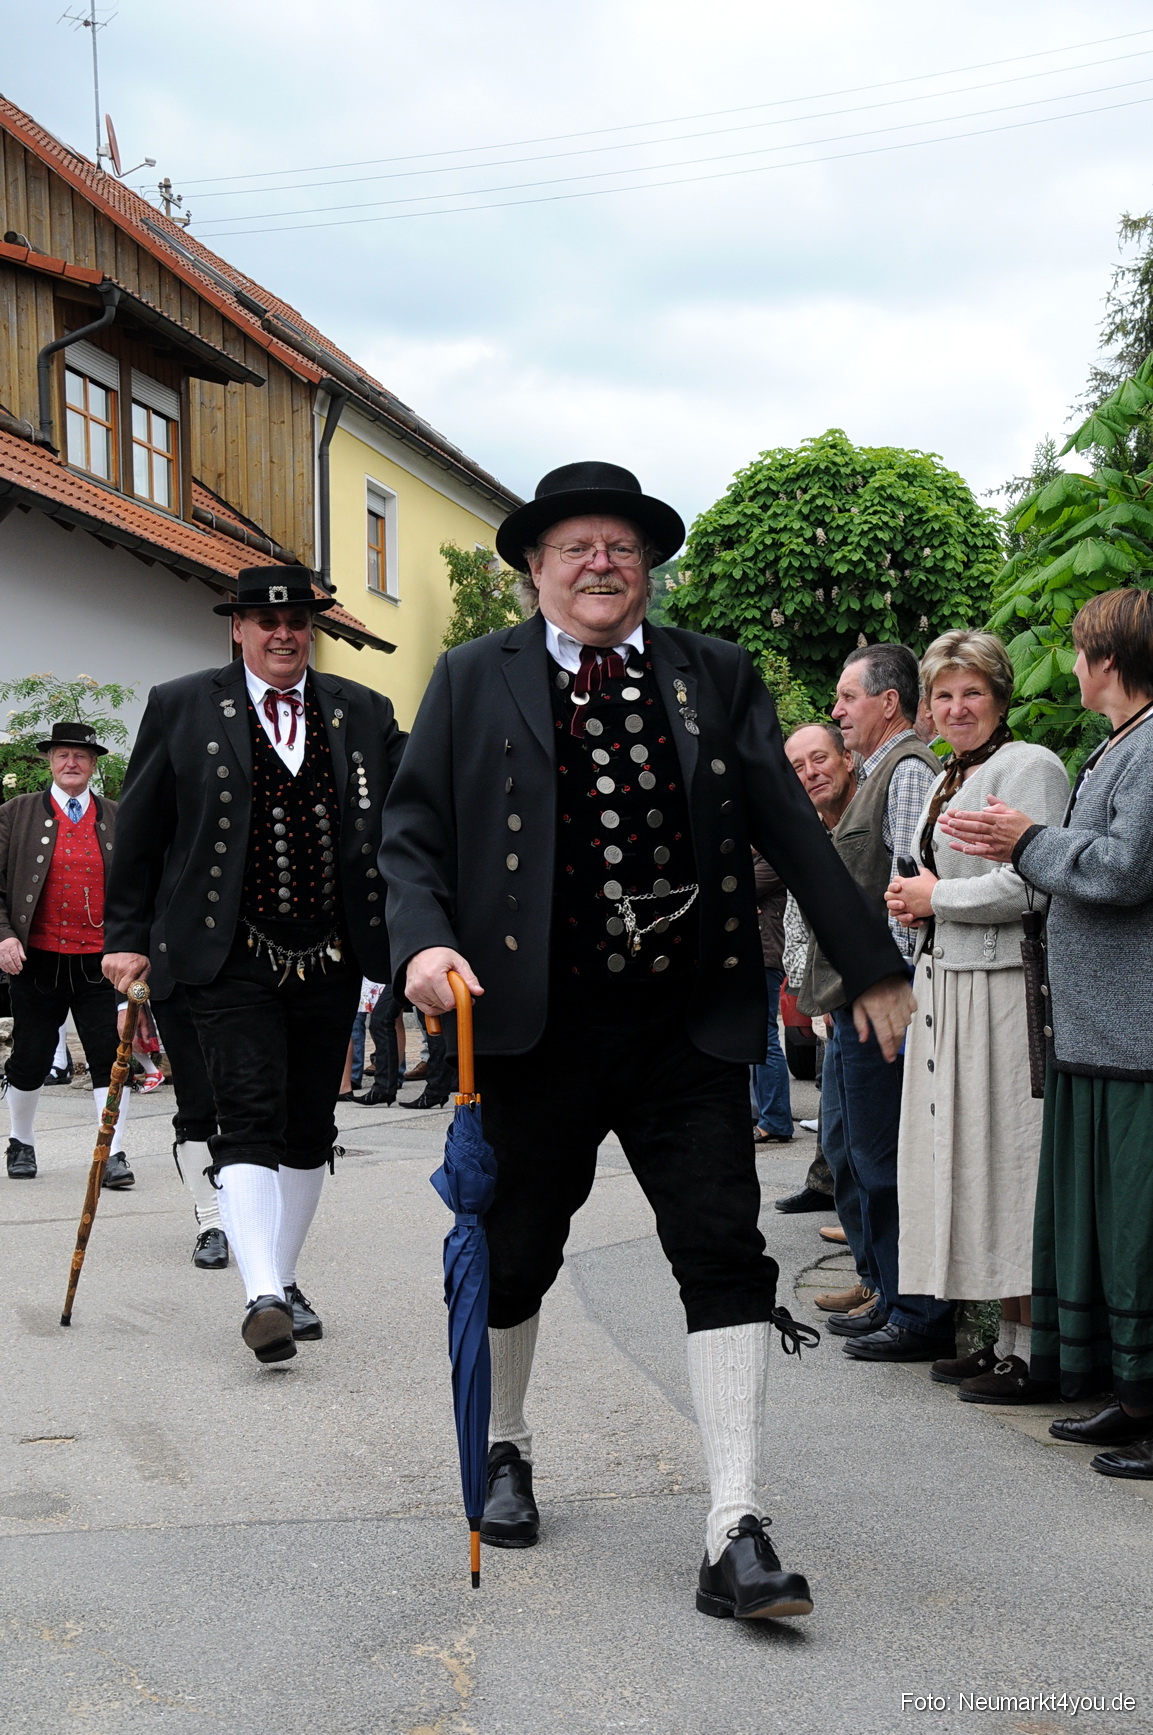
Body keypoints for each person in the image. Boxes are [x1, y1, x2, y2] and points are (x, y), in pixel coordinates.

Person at [380, 460, 912, 1622]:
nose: (601, 564)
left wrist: (868, 962)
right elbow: (411, 834)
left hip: (687, 1018)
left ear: (647, 566)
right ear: (534, 567)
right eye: (576, 546)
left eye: (620, 545)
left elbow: (786, 817)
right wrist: (420, 944)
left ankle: (735, 1525)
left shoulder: (713, 673)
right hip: (534, 1026)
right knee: (514, 1250)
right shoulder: (474, 677)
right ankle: (506, 1444)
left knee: (721, 1250)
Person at [103, 566, 403, 1364]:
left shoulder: (362, 712)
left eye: (297, 620)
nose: (282, 633)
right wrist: (124, 935)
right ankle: (261, 1292)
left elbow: (420, 800)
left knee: (310, 1124)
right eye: (265, 621)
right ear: (236, 628)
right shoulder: (182, 703)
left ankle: (285, 1272)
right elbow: (138, 832)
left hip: (332, 951)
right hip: (222, 948)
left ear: (312, 628)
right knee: (246, 1112)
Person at [941, 588, 1153, 1479]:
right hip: (1101, 1030)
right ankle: (1134, 1394)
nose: (1068, 665)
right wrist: (1028, 842)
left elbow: (1126, 867)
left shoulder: (1150, 745)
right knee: (1111, 1223)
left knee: (1141, 1226)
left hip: (1135, 1036)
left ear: (1107, 659)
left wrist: (1028, 839)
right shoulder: (1121, 742)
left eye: (1076, 651)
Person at [885, 632, 1069, 1401]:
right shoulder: (945, 778)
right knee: (963, 1161)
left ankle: (1034, 1352)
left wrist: (936, 899)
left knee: (1007, 1161)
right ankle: (998, 1341)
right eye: (944, 694)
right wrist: (912, 903)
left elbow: (1030, 884)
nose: (956, 707)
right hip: (944, 986)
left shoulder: (1028, 764)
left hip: (999, 988)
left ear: (999, 696)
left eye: (971, 692)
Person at [799, 646, 955, 1363]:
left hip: (883, 1001)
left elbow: (905, 888)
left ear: (886, 702)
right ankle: (892, 1296)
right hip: (863, 998)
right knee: (859, 1152)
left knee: (883, 1157)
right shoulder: (880, 771)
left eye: (847, 696)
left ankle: (915, 1310)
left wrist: (889, 985)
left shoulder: (905, 770)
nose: (837, 710)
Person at [0, 721, 132, 1184]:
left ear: (94, 765)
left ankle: (112, 1152)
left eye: (80, 756)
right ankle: (22, 1141)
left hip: (102, 961)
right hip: (37, 957)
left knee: (110, 1054)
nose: (71, 764)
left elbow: (140, 888)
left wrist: (134, 945)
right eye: (62, 756)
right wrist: (3, 936)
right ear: (50, 763)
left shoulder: (117, 815)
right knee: (31, 1054)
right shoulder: (15, 812)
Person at [775, 722, 858, 1220]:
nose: (810, 773)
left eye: (819, 759)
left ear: (846, 759)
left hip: (856, 997)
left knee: (855, 1127)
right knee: (836, 1118)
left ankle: (859, 1238)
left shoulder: (862, 818)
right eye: (798, 767)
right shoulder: (812, 825)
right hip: (826, 993)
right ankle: (840, 1208)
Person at [751, 851, 791, 1144]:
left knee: (764, 1036)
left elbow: (739, 889)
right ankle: (760, 1113)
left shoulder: (771, 860)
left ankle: (775, 1119)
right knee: (752, 1036)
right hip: (751, 960)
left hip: (764, 959)